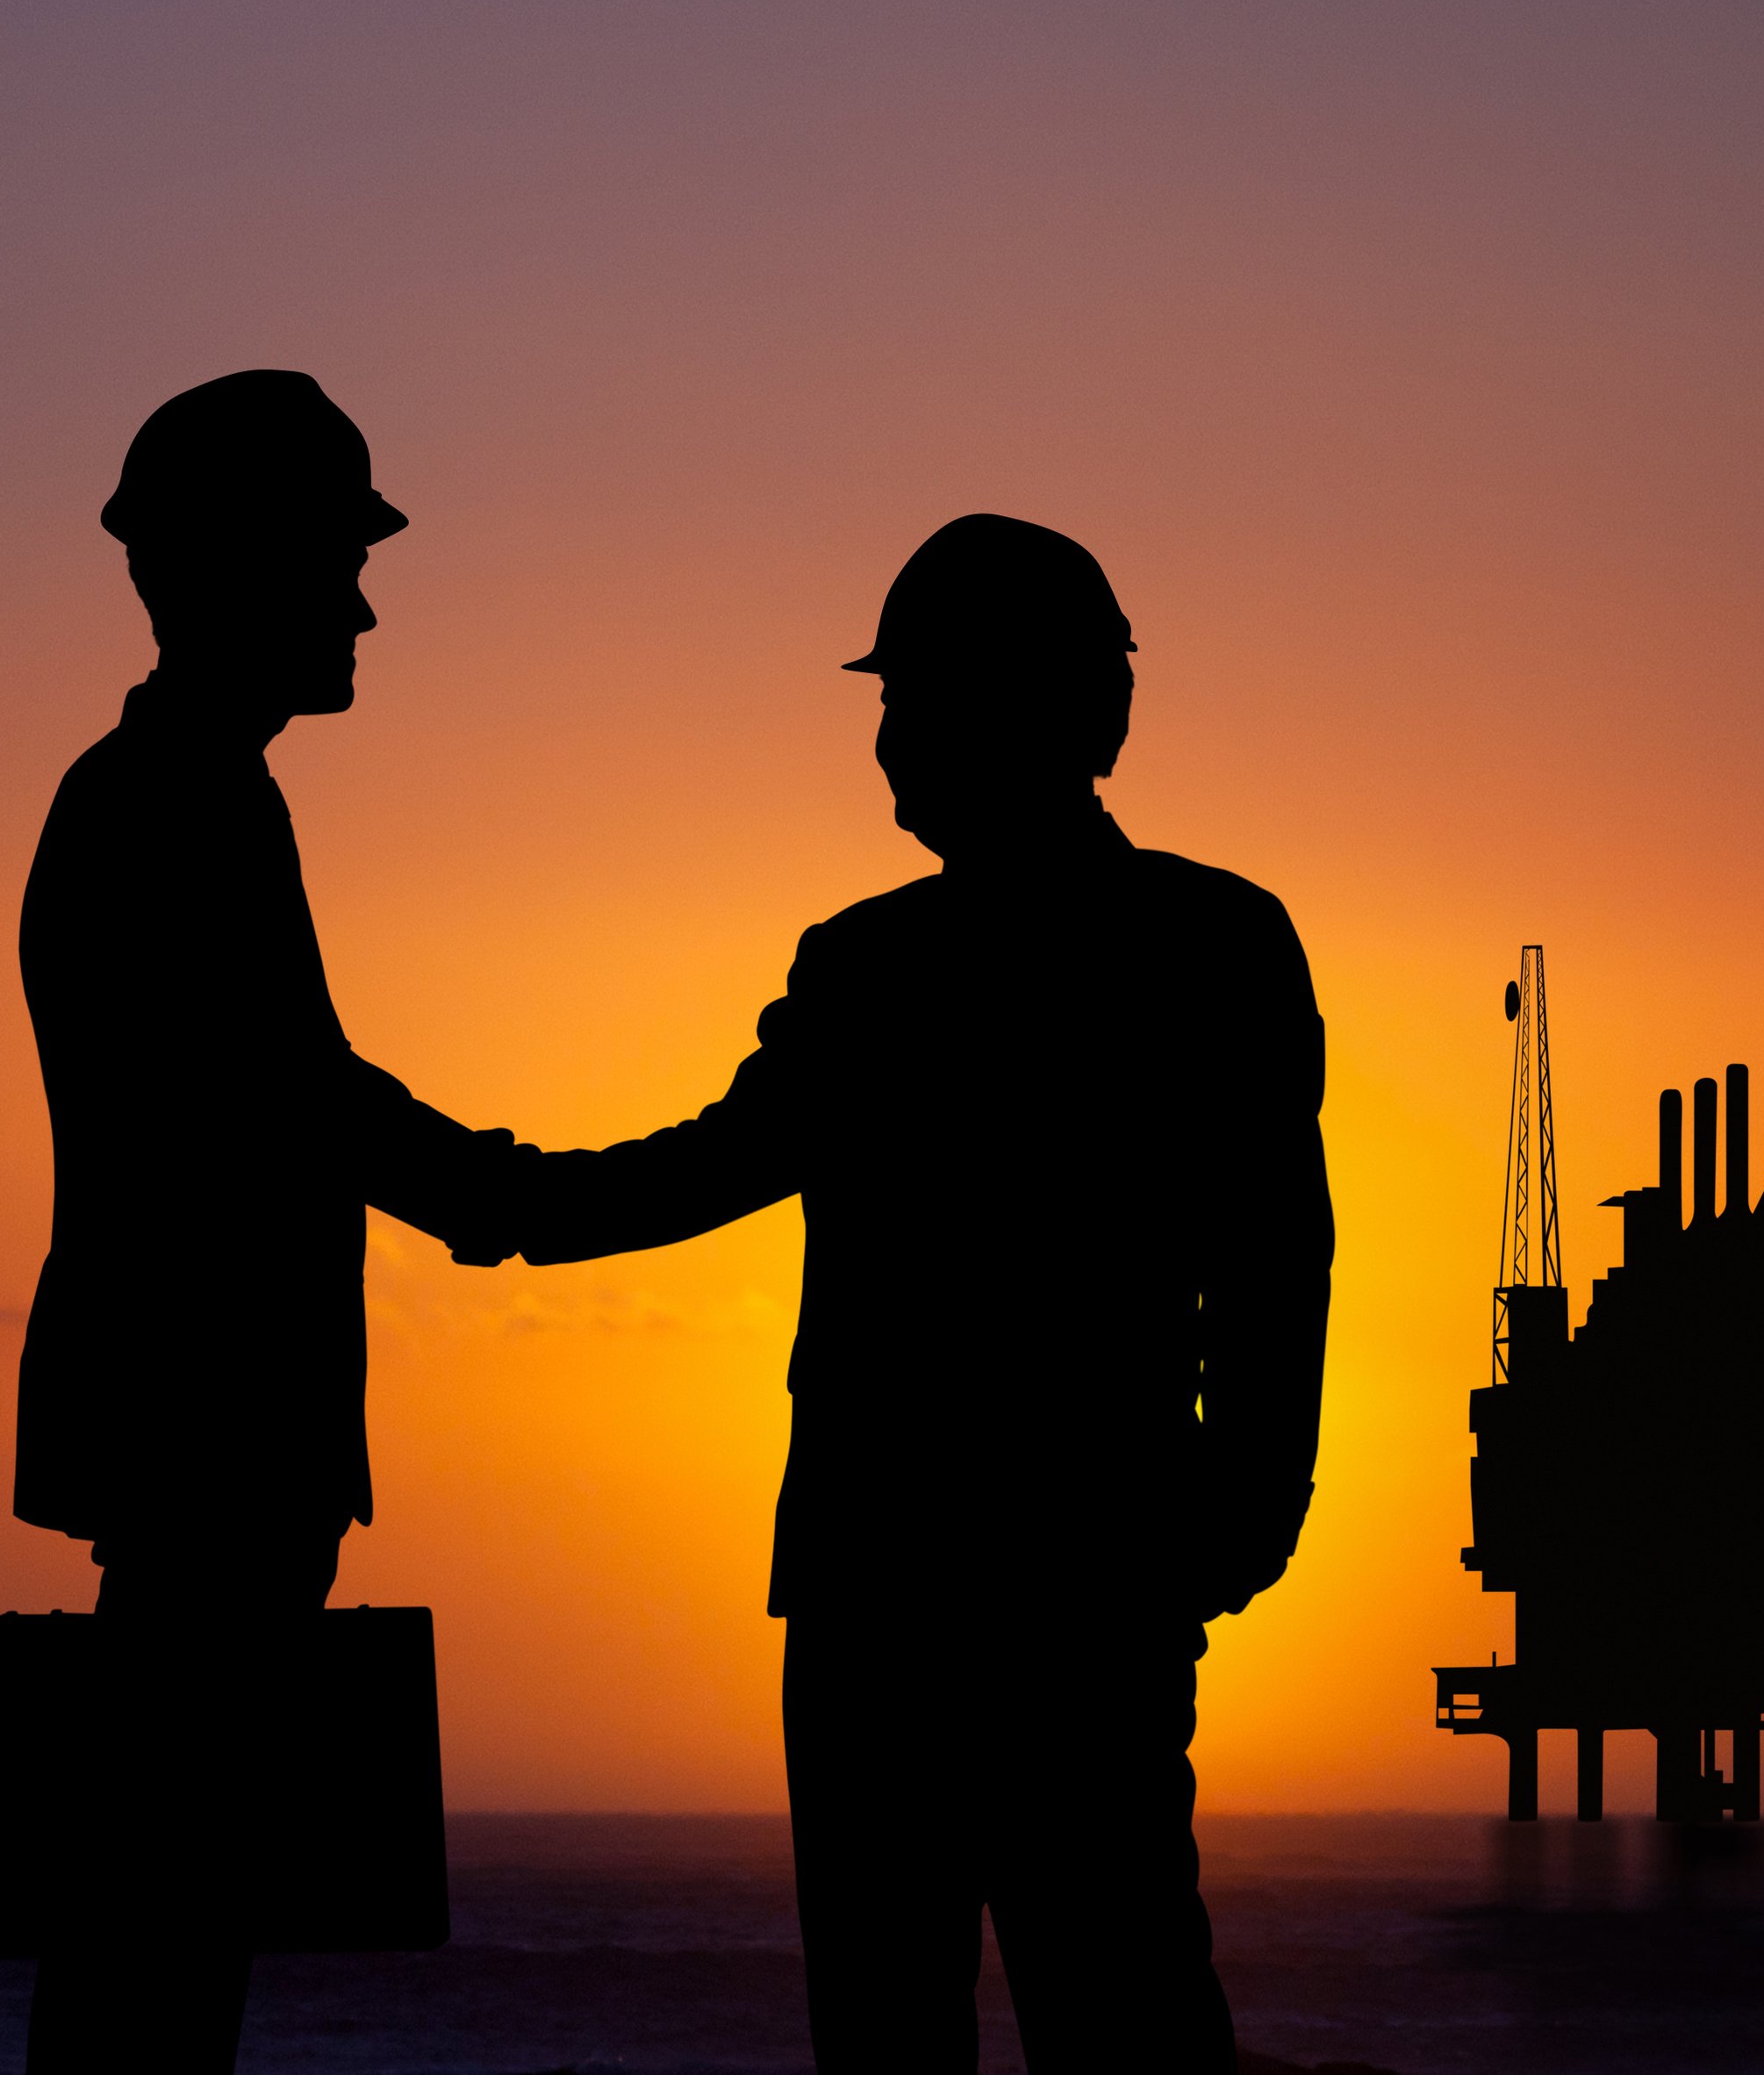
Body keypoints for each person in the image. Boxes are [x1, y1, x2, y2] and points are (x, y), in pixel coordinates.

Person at [490, 515, 1332, 2073]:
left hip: (912, 1588)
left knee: (935, 2024)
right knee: (1117, 2001)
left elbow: (697, 1172)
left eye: (911, 697)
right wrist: (1237, 1522)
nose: (885, 737)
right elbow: (1278, 1267)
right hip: (1077, 1573)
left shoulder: (886, 969)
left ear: (1021, 710)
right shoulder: (1207, 942)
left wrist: (481, 1195)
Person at [11, 370, 517, 2072]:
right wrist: (520, 1198)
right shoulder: (175, 807)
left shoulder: (186, 795)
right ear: (236, 567)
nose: (365, 600)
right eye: (335, 556)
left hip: (208, 1434)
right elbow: (301, 1096)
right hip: (210, 1434)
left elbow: (299, 1092)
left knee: (162, 1929)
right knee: (158, 1935)